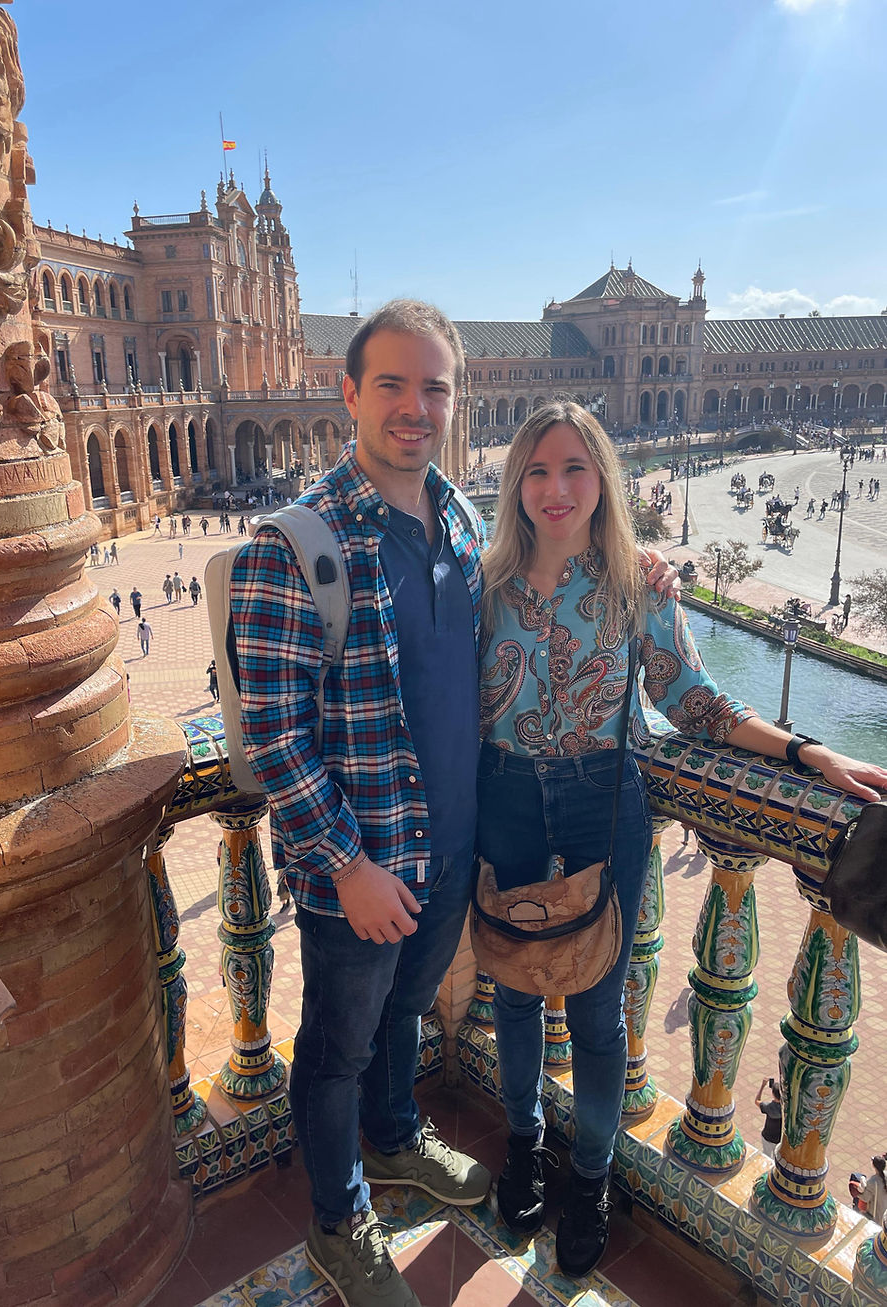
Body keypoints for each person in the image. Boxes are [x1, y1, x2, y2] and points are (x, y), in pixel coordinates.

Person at [230, 303, 678, 1307]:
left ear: (454, 399)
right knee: (335, 1047)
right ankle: (339, 1217)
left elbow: (544, 599)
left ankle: (394, 1137)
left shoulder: (465, 525)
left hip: (454, 849)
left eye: (432, 386)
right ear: (348, 393)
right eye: (391, 383)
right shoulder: (293, 544)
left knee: (402, 1014)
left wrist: (643, 564)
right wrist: (345, 863)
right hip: (362, 865)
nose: (414, 405)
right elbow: (274, 735)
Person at [475, 400, 887, 1279]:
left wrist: (806, 751)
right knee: (513, 987)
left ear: (602, 479)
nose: (555, 487)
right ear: (516, 484)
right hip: (503, 795)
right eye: (537, 470)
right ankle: (523, 1144)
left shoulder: (636, 586)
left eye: (574, 467)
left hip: (604, 800)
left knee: (598, 1009)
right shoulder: (485, 585)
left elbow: (693, 701)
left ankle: (591, 1177)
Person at [755, 1078, 782, 1159]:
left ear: (773, 1094)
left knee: (766, 1156)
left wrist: (762, 1086)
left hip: (767, 1136)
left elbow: (757, 1101)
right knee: (777, 1157)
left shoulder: (768, 1107)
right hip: (779, 1138)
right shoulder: (786, 1108)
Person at [861, 1157, 887, 1225]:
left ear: (873, 1165)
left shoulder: (872, 1182)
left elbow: (865, 1198)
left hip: (876, 1215)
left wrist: (856, 1193)